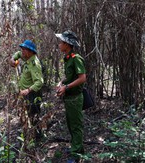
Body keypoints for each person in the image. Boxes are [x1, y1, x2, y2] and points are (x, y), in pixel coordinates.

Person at [55, 30, 86, 163]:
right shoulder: (68, 59)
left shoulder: (76, 58)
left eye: (61, 42)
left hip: (75, 98)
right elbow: (70, 76)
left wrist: (66, 87)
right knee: (70, 124)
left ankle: (76, 154)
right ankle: (76, 147)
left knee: (76, 126)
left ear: (67, 44)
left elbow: (82, 78)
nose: (59, 44)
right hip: (69, 98)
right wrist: (61, 82)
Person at [10, 40, 44, 141]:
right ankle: (28, 138)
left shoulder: (34, 64)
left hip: (32, 95)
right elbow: (18, 54)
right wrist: (13, 59)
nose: (22, 52)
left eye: (24, 50)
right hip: (25, 94)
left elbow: (39, 82)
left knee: (33, 117)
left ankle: (36, 140)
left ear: (30, 51)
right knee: (25, 117)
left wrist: (28, 90)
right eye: (22, 49)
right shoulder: (26, 56)